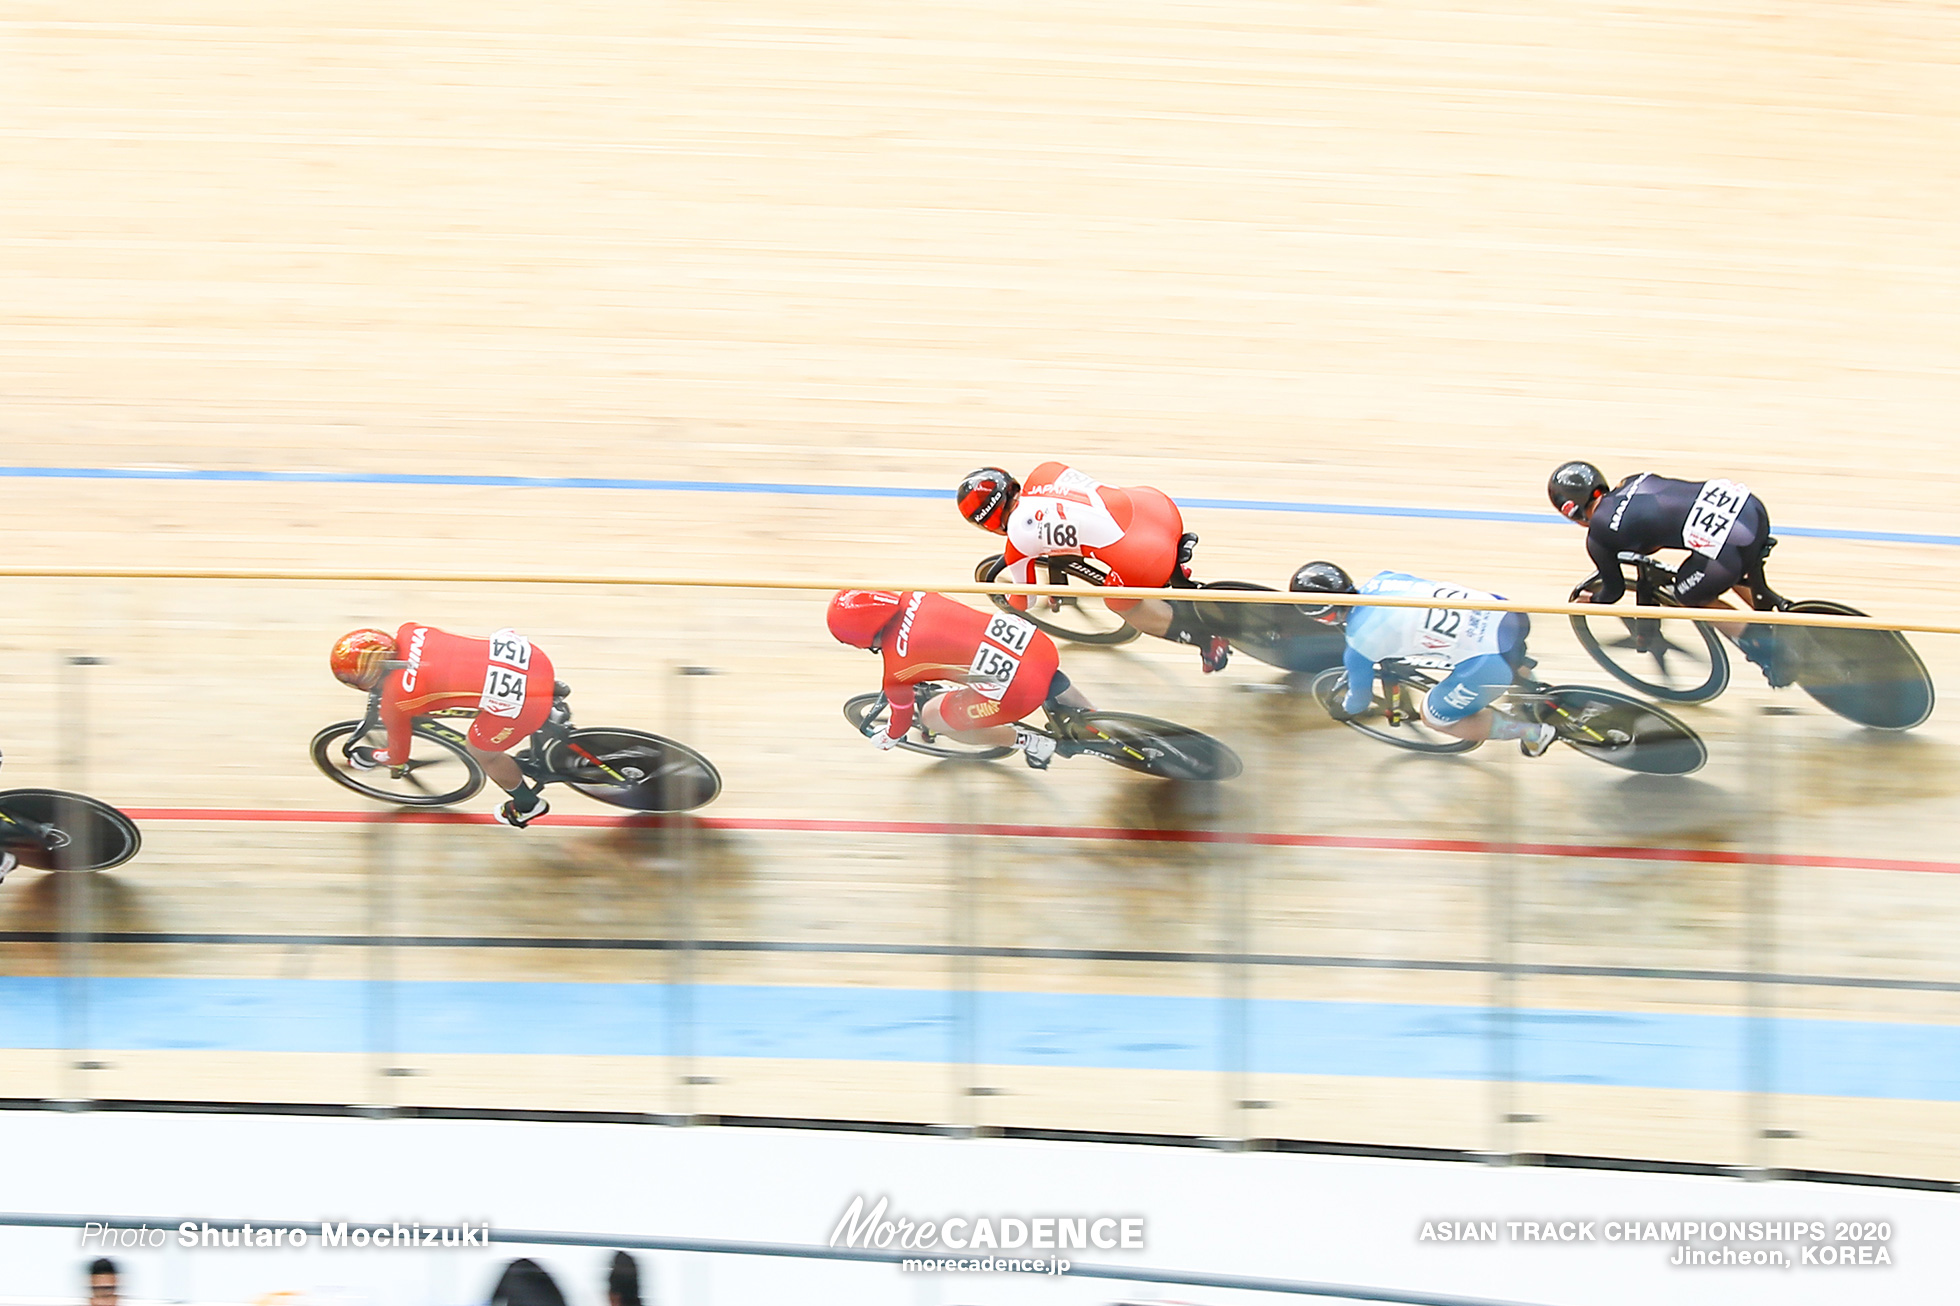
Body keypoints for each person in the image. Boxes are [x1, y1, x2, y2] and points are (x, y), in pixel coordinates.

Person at [956, 463, 1230, 672]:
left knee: (1118, 601)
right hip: (1155, 506)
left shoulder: (1019, 538)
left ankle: (1206, 641)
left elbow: (1025, 600)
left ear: (987, 524)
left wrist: (1009, 613)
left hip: (1146, 555)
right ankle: (1180, 579)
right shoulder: (1045, 471)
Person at [1547, 461, 1786, 684]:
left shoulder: (1598, 536)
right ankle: (1785, 618)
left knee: (1688, 594)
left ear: (1571, 511)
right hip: (1750, 506)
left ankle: (1766, 649)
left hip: (1731, 544)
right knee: (1718, 564)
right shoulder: (1632, 479)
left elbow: (1613, 591)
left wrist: (1591, 601)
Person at [1292, 562, 1559, 756]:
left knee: (1436, 718)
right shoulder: (1384, 578)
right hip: (1508, 614)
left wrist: (1343, 709)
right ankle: (1533, 691)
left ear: (1322, 616)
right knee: (1500, 656)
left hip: (1489, 661)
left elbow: (1358, 701)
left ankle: (1533, 734)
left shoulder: (1359, 645)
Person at [827, 589, 1094, 768]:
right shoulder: (917, 595)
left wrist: (888, 737)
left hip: (1019, 690)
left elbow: (901, 723)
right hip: (1037, 644)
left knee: (935, 718)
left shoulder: (898, 669)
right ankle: (1097, 716)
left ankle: (1035, 744)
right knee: (990, 664)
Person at [329, 624, 559, 827]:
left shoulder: (395, 701)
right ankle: (554, 728)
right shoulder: (411, 631)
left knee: (481, 750)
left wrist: (371, 756)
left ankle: (528, 804)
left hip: (529, 700)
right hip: (534, 658)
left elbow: (397, 757)